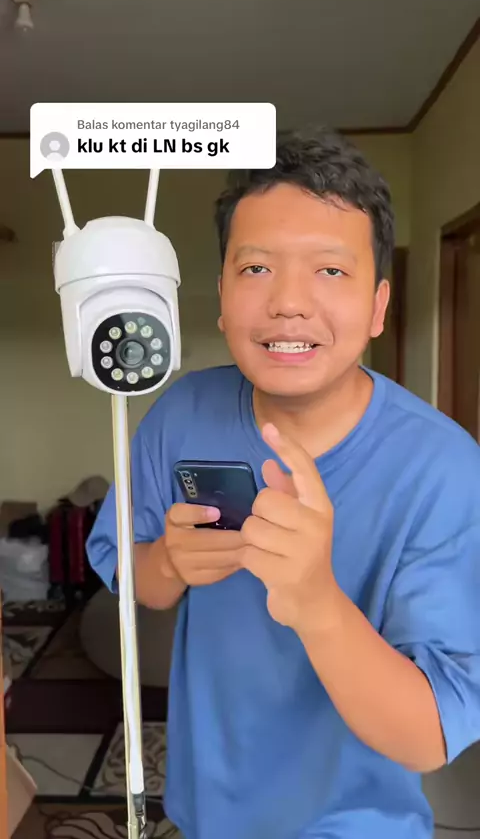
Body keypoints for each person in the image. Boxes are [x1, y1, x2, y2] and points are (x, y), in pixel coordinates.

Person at [86, 126, 480, 839]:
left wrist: (315, 600)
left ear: (378, 306)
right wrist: (169, 562)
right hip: (205, 810)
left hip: (356, 826)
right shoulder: (182, 412)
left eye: (329, 270)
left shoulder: (444, 469)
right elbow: (132, 576)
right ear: (221, 296)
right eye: (257, 267)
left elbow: (432, 734)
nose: (289, 302)